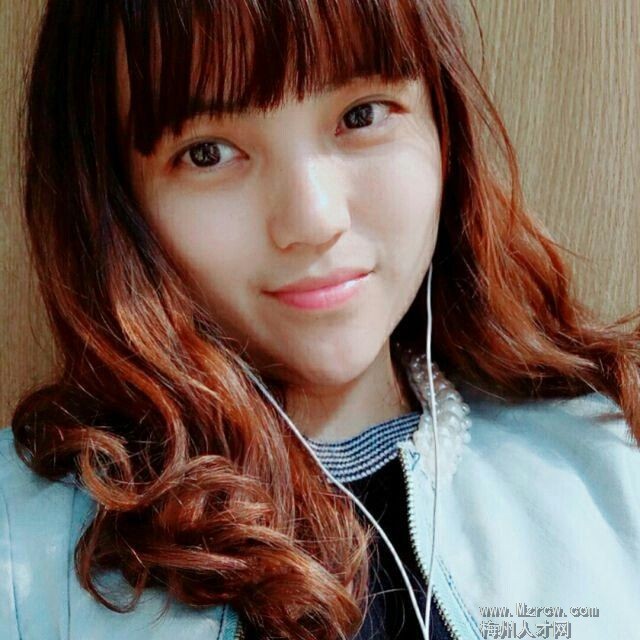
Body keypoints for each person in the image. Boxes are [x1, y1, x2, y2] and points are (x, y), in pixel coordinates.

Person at [1, 1, 639, 639]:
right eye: (208, 153)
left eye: (360, 116)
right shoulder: (21, 548)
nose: (313, 220)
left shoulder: (611, 461)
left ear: (444, 127)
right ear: (117, 204)